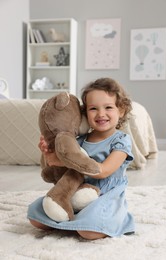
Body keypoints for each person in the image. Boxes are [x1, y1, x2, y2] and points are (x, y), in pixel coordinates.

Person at [27, 77, 135, 240]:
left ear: (121, 110)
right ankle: (75, 220)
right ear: (84, 113)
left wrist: (62, 160)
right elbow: (54, 170)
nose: (101, 114)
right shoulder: (79, 140)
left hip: (104, 195)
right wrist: (48, 154)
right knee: (35, 216)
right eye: (93, 109)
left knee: (89, 231)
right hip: (75, 191)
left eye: (108, 107)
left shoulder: (121, 141)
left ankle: (102, 221)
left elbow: (103, 171)